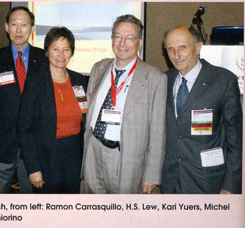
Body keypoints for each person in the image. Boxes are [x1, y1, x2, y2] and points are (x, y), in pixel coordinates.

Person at [81, 15, 167, 194]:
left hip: (125, 157)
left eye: (130, 38)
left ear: (140, 42)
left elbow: (158, 131)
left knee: (123, 215)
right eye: (117, 36)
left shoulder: (155, 78)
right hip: (93, 150)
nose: (122, 43)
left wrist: (152, 174)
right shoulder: (99, 68)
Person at [161, 25, 242, 194]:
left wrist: (230, 186)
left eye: (183, 47)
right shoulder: (163, 80)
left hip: (209, 180)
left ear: (198, 47)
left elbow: (236, 140)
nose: (176, 55)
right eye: (171, 49)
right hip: (171, 180)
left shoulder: (223, 81)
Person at [0, 6, 47, 193]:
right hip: (2, 144)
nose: (19, 31)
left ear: (32, 28)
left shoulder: (43, 59)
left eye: (24, 25)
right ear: (6, 27)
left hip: (33, 145)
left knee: (30, 199)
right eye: (14, 25)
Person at [17, 27, 88, 193]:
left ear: (72, 52)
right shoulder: (35, 82)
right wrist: (33, 168)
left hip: (73, 155)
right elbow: (23, 129)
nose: (61, 55)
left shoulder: (79, 80)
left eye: (66, 49)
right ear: (47, 51)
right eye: (55, 49)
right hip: (45, 157)